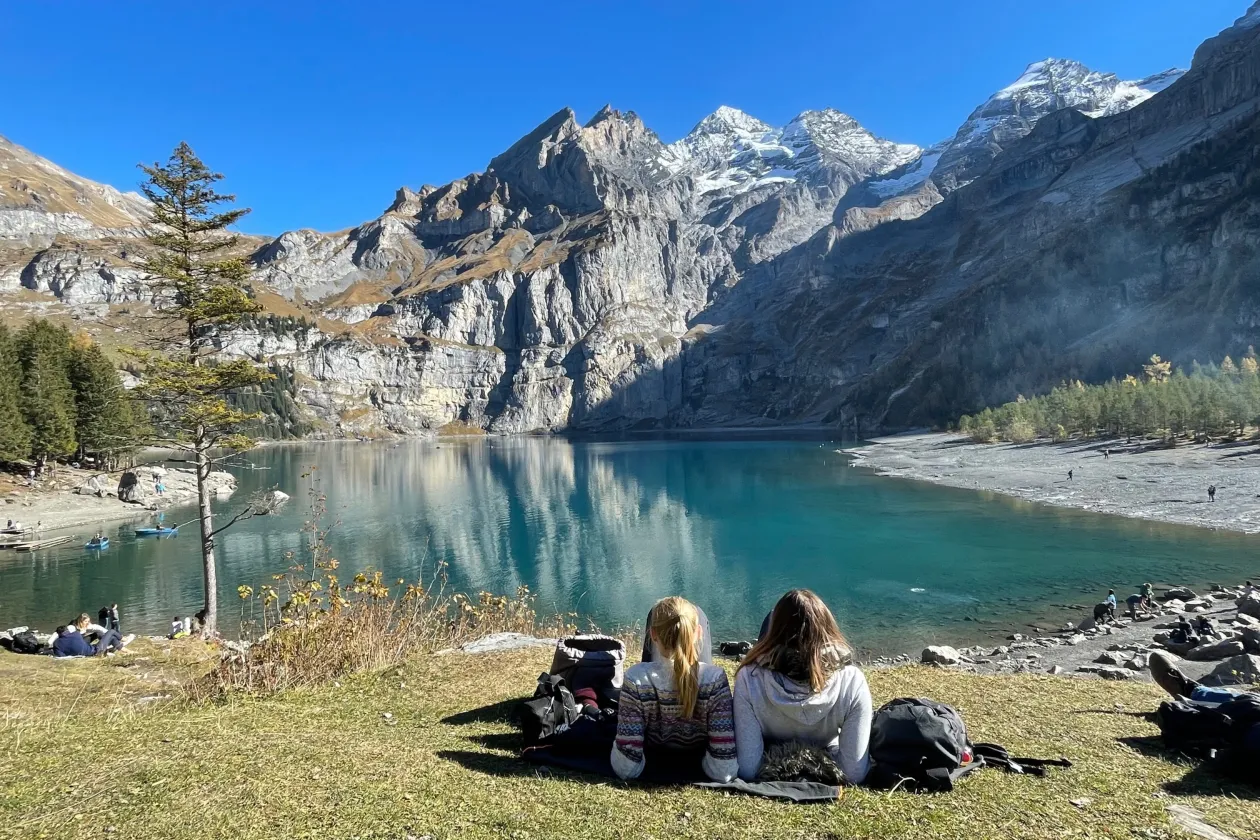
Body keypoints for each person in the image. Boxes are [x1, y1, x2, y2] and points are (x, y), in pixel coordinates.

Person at [733, 589, 872, 784]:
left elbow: (748, 769)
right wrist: (820, 761)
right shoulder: (852, 681)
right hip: (826, 755)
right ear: (828, 627)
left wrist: (782, 761)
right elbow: (854, 773)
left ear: (773, 631)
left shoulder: (750, 678)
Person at [611, 597, 736, 782]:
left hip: (653, 752)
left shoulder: (636, 679)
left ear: (653, 635)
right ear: (699, 633)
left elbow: (626, 768)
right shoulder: (714, 679)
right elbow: (724, 771)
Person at [641, 602, 712, 665]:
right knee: (697, 612)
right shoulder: (716, 676)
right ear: (699, 632)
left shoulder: (635, 675)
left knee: (655, 612)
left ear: (652, 634)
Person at [52, 614, 130, 657]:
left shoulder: (87, 625)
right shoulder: (72, 628)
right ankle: (120, 642)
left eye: (88, 621)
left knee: (98, 633)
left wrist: (106, 635)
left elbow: (98, 628)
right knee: (112, 632)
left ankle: (110, 643)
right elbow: (68, 638)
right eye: (86, 621)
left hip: (82, 644)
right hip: (81, 645)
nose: (88, 623)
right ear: (80, 621)